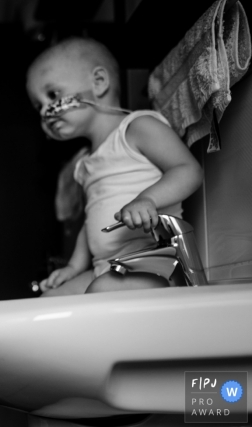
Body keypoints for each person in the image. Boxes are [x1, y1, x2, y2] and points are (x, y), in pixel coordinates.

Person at [26, 37, 203, 296]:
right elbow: (91, 222)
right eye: (38, 106)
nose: (45, 112)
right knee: (49, 300)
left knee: (101, 289)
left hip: (155, 263)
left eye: (52, 95)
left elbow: (188, 170)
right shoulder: (84, 164)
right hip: (105, 268)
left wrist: (148, 200)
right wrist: (74, 267)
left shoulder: (137, 128)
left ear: (99, 83)